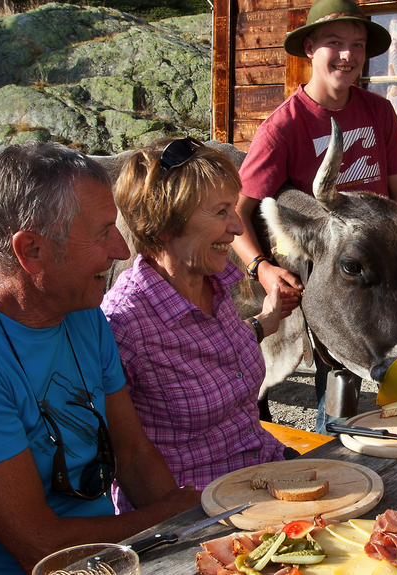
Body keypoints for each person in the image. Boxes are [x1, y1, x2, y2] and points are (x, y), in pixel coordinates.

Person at [0, 142, 200, 574]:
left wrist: (193, 530)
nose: (122, 250)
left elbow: (133, 452)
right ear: (31, 250)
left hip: (107, 557)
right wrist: (169, 517)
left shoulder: (81, 312)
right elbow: (39, 546)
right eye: (103, 232)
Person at [232, 0, 397, 431]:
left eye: (357, 44)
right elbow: (236, 214)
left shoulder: (380, 112)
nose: (348, 55)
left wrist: (390, 253)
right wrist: (261, 269)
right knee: (331, 377)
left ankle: (354, 452)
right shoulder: (283, 126)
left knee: (394, 366)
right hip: (312, 276)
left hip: (368, 275)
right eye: (335, 43)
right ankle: (325, 451)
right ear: (310, 47)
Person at [102, 138, 292, 513]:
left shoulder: (215, 283)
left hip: (268, 474)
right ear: (163, 228)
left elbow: (217, 351)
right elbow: (117, 455)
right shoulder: (123, 323)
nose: (238, 227)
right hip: (200, 511)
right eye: (221, 212)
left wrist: (268, 319)